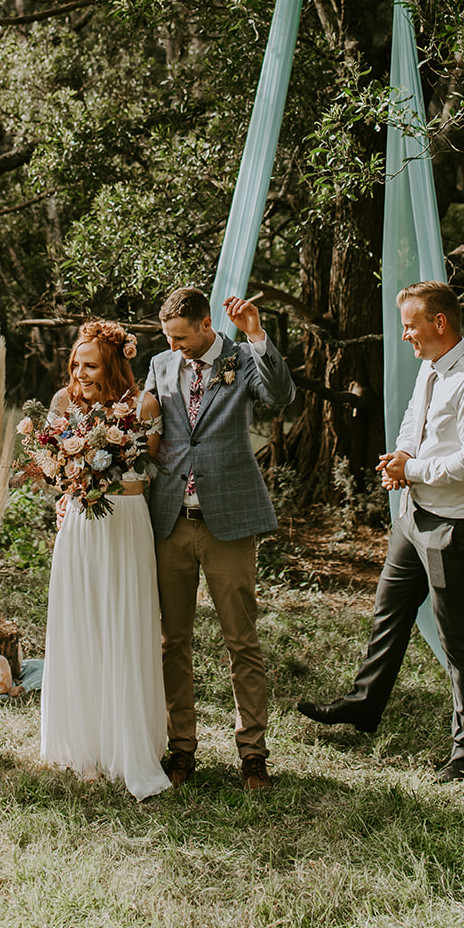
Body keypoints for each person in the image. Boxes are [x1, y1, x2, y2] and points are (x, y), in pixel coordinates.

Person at [297, 280, 464, 781]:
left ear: (439, 323)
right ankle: (364, 706)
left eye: (411, 325)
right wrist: (402, 457)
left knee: (460, 639)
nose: (405, 334)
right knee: (387, 615)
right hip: (414, 516)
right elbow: (414, 421)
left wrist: (410, 471)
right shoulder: (431, 369)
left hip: (458, 525)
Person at [144, 286, 295, 793]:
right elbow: (146, 426)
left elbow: (279, 396)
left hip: (227, 520)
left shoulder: (240, 357)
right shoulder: (161, 365)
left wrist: (256, 334)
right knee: (173, 641)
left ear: (206, 325)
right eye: (168, 338)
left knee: (241, 640)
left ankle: (253, 754)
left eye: (182, 337)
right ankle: (180, 748)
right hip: (169, 520)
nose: (175, 346)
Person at [39, 319, 171, 801]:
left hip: (126, 522)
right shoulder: (61, 404)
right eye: (76, 364)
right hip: (80, 525)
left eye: (90, 364)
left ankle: (124, 744)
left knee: (123, 626)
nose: (80, 372)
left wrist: (106, 462)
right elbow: (55, 470)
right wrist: (69, 479)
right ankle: (84, 747)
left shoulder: (145, 406)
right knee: (80, 625)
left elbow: (146, 470)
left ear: (114, 364)